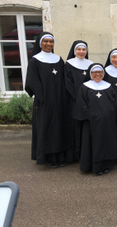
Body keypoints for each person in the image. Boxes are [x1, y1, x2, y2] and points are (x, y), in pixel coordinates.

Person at [25, 31, 70, 168]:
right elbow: (32, 81)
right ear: (40, 43)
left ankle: (61, 156)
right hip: (44, 102)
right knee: (47, 128)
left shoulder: (58, 59)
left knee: (60, 128)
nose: (48, 44)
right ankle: (50, 158)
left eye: (51, 42)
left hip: (60, 101)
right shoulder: (35, 61)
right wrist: (42, 97)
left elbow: (64, 80)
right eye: (46, 41)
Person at [74, 63, 117, 175]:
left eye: (100, 72)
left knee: (106, 143)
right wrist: (90, 116)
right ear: (90, 74)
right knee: (92, 144)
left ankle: (106, 165)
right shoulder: (85, 87)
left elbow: (114, 103)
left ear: (103, 74)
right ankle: (93, 166)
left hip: (107, 122)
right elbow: (81, 105)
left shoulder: (108, 86)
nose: (98, 74)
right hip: (91, 123)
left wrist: (109, 114)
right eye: (95, 72)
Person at [65, 40, 93, 161]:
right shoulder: (69, 64)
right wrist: (78, 98)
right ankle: (75, 155)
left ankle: (86, 153)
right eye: (79, 49)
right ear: (74, 51)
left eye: (83, 50)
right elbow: (68, 84)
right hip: (74, 101)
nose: (81, 52)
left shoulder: (91, 64)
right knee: (74, 127)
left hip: (89, 101)